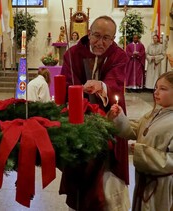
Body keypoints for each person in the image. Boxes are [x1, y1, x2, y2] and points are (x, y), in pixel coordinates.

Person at [60, 16, 130, 210]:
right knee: (80, 175)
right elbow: (65, 84)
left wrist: (102, 87)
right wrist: (77, 91)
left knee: (109, 182)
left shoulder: (119, 55)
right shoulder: (73, 54)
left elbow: (116, 82)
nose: (100, 42)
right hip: (79, 122)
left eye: (107, 38)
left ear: (113, 38)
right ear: (89, 33)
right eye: (96, 36)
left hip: (109, 123)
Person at [108, 71, 173, 211]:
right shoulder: (154, 113)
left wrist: (141, 152)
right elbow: (137, 130)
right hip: (144, 181)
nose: (156, 92)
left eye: (163, 89)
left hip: (163, 187)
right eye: (156, 88)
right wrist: (119, 118)